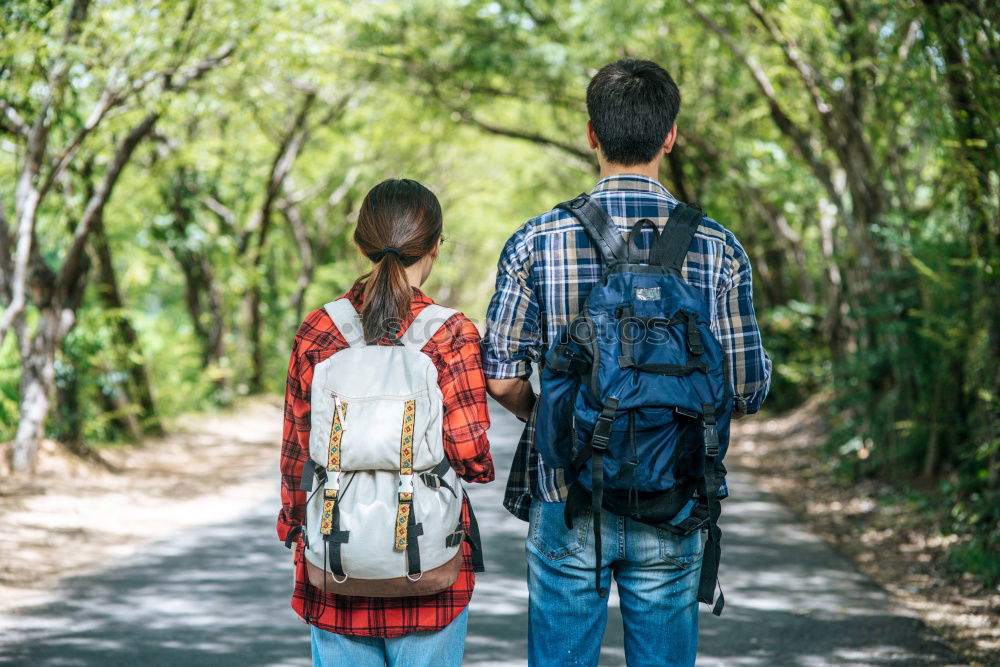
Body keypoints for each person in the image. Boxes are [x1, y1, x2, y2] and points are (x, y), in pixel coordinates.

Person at [482, 59, 772, 666]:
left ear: (592, 134)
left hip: (565, 489)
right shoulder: (718, 246)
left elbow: (502, 375)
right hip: (677, 488)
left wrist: (560, 420)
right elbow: (744, 388)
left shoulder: (537, 238)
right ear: (670, 136)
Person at [277, 178, 494, 667]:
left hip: (337, 563)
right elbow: (471, 456)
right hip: (427, 563)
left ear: (361, 245)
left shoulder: (320, 329)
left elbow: (296, 454)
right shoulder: (450, 332)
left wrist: (295, 524)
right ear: (436, 245)